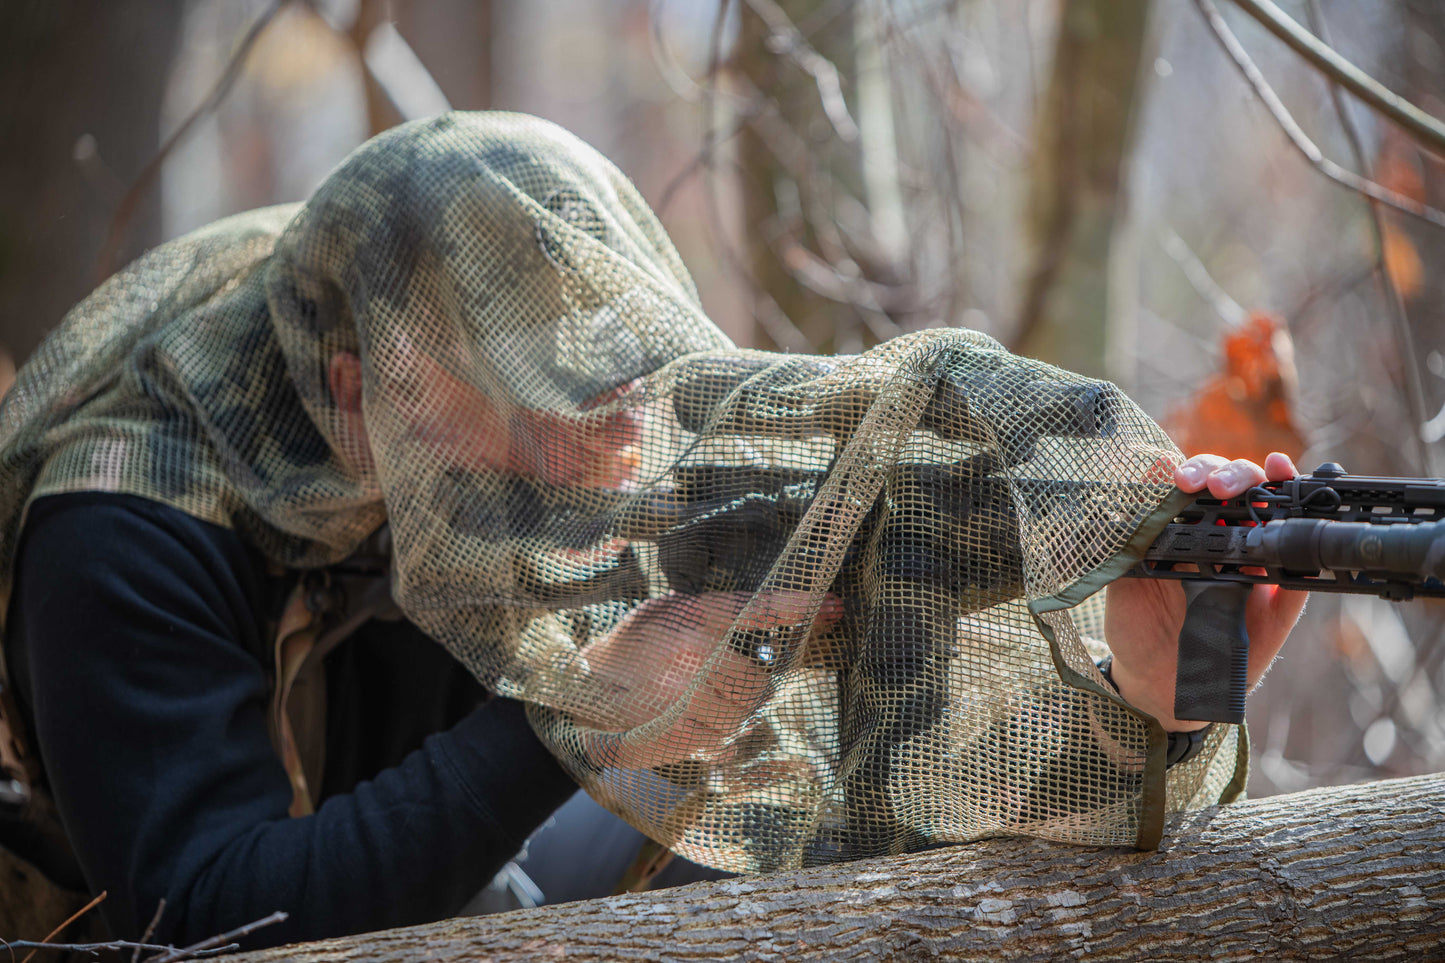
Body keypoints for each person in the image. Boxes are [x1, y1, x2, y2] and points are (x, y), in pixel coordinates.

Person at [0, 111, 1304, 948]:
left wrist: (1161, 673)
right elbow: (214, 918)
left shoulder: (541, 423)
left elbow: (873, 714)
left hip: (455, 883)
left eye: (610, 394)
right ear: (361, 388)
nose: (598, 456)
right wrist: (582, 719)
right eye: (535, 411)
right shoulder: (120, 533)